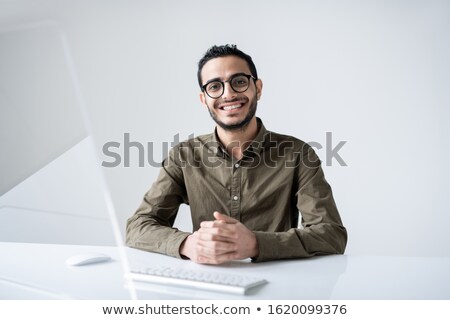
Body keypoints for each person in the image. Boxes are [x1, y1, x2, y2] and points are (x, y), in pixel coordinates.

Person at [126, 44, 347, 264]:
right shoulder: (183, 155)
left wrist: (256, 244)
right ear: (204, 99)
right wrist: (188, 244)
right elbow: (138, 227)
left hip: (278, 285)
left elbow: (331, 235)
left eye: (239, 82)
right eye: (214, 86)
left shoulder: (299, 154)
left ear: (257, 88)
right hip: (207, 287)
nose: (229, 94)